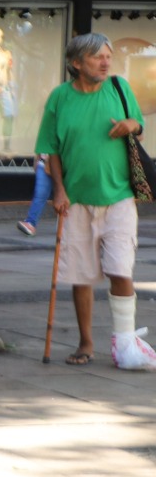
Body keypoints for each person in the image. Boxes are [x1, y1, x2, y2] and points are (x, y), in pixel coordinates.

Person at [36, 34, 146, 365]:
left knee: (120, 269)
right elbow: (51, 148)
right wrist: (59, 190)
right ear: (76, 63)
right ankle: (86, 343)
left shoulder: (119, 88)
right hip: (77, 200)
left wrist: (131, 124)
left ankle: (125, 343)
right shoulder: (60, 98)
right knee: (81, 273)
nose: (105, 62)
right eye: (97, 57)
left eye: (108, 56)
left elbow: (139, 126)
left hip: (120, 197)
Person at [17, 154, 52, 236]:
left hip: (62, 164)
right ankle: (30, 223)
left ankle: (67, 224)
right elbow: (41, 147)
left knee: (66, 195)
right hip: (44, 163)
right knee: (40, 194)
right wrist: (37, 160)